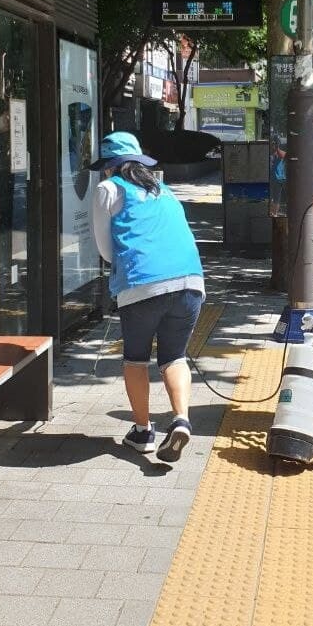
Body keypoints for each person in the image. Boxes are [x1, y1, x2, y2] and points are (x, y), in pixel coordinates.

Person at [90, 131, 204, 463]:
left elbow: (106, 250)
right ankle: (181, 419)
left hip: (142, 285)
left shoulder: (107, 189)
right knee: (175, 357)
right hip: (191, 282)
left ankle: (143, 432)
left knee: (136, 359)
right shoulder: (163, 190)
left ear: (110, 165)